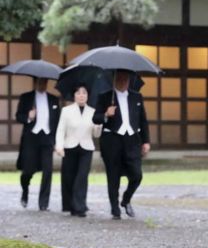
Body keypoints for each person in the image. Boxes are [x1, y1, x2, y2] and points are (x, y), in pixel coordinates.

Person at [92, 70, 150, 220]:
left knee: (137, 175)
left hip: (132, 141)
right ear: (115, 79)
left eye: (126, 78)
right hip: (112, 141)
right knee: (113, 176)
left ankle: (126, 199)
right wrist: (106, 114)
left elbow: (143, 120)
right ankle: (114, 208)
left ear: (130, 79)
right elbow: (96, 118)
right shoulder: (105, 96)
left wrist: (146, 141)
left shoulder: (136, 97)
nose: (123, 81)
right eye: (120, 78)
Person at [55, 84, 100, 217]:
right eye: (78, 93)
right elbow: (61, 129)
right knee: (69, 177)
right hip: (70, 146)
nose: (81, 95)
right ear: (74, 95)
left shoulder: (92, 111)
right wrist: (59, 145)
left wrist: (99, 125)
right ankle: (71, 205)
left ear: (88, 96)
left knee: (82, 177)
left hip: (86, 148)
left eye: (84, 93)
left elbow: (96, 134)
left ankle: (80, 206)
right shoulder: (66, 110)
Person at [16, 77, 60, 211]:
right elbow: (18, 116)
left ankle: (43, 203)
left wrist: (55, 140)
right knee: (28, 171)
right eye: (40, 81)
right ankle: (25, 190)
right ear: (35, 82)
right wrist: (28, 116)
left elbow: (57, 120)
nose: (42, 84)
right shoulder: (26, 97)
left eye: (45, 81)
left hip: (47, 138)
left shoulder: (54, 99)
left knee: (48, 171)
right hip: (31, 138)